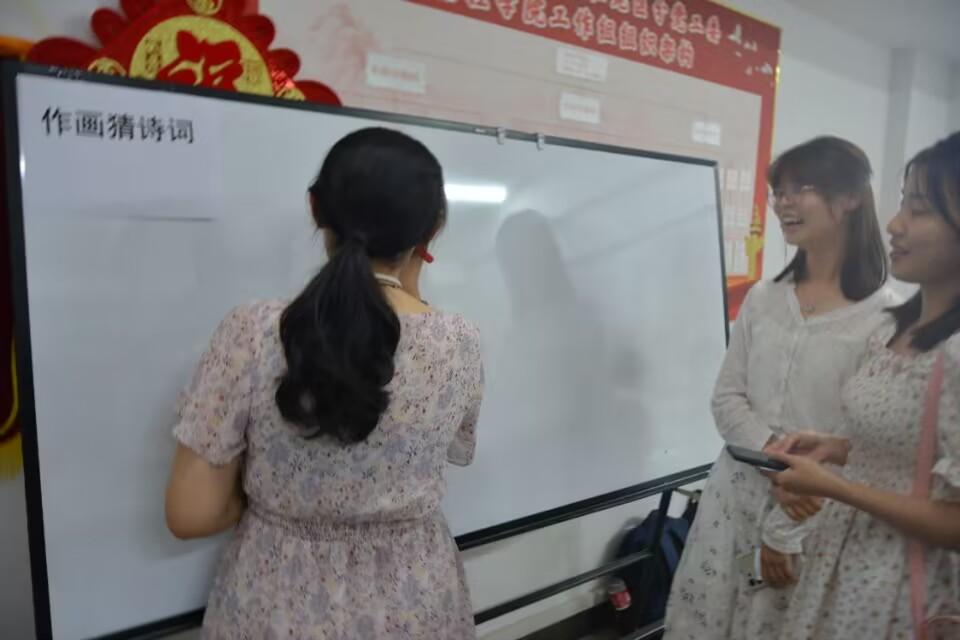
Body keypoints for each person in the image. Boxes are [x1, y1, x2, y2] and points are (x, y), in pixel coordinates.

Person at [164, 128, 485, 639]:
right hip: (416, 605)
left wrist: (271, 492)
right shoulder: (458, 342)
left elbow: (191, 513)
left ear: (315, 209)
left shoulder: (252, 331)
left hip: (276, 606)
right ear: (432, 231)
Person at [664, 137, 897, 640]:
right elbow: (726, 398)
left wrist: (785, 529)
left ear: (849, 199)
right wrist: (779, 460)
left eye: (800, 189)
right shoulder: (764, 298)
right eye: (778, 192)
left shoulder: (886, 318)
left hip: (814, 513)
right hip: (733, 498)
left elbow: (864, 442)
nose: (782, 203)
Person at [767, 132, 960, 639]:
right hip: (846, 567)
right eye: (902, 203)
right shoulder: (899, 327)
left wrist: (836, 487)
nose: (895, 224)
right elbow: (914, 453)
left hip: (900, 587)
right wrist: (835, 448)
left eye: (920, 209)